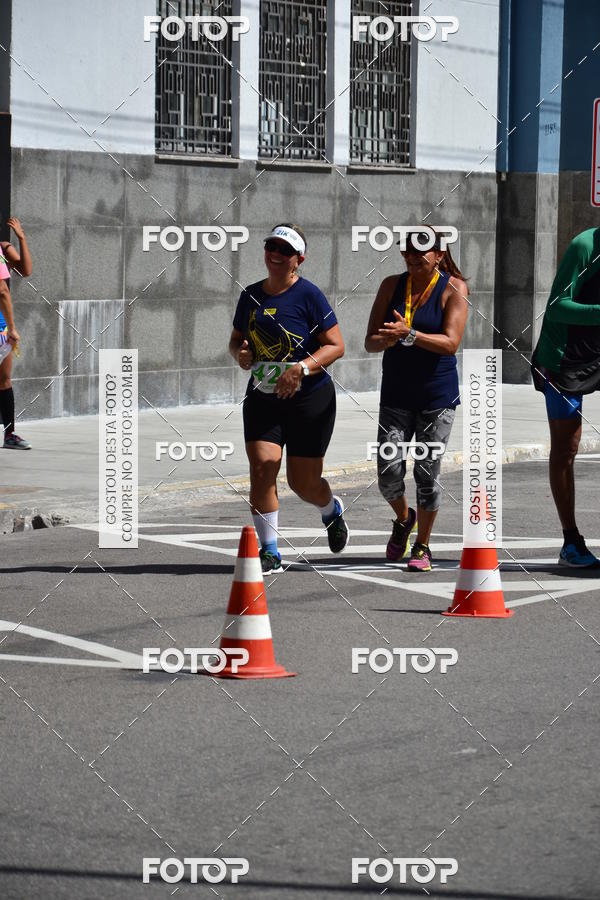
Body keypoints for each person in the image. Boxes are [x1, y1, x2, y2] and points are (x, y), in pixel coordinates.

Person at [229, 223, 348, 574]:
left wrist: (302, 368)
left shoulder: (309, 296)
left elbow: (336, 345)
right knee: (263, 468)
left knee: (303, 483)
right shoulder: (250, 295)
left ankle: (330, 509)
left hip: (310, 399)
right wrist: (241, 355)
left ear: (299, 259)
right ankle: (269, 550)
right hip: (264, 397)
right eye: (271, 247)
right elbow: (237, 341)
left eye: (285, 250)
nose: (276, 254)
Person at [364, 230, 469, 571]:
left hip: (435, 398)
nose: (412, 256)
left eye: (421, 252)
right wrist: (387, 339)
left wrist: (409, 334)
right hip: (396, 394)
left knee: (426, 473)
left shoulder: (453, 288)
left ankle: (422, 545)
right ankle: (404, 518)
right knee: (388, 474)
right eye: (407, 250)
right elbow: (369, 342)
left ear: (439, 254)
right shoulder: (390, 285)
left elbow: (451, 342)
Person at [531, 227, 600, 567]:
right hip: (564, 358)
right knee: (566, 447)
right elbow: (558, 306)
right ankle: (571, 541)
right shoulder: (585, 246)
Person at [0, 217, 33, 449]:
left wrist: (21, 239)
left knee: (4, 380)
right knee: (4, 381)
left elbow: (26, 270)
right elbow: (2, 291)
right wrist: (12, 327)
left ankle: (10, 434)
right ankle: (9, 434)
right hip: (2, 328)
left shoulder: (2, 248)